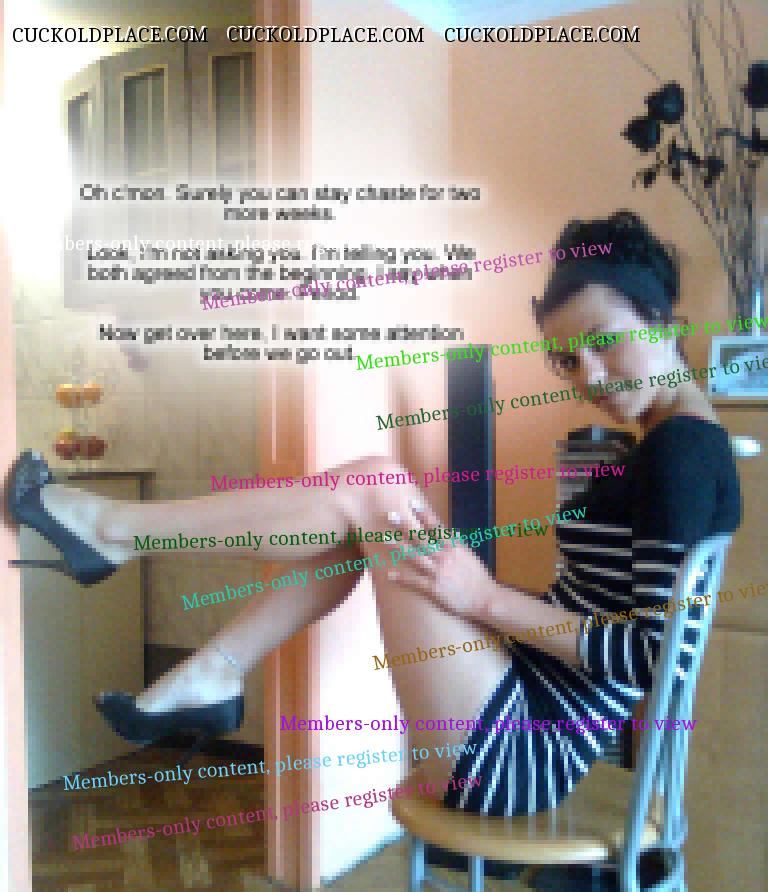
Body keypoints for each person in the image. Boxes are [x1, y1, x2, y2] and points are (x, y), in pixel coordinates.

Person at [6, 211, 741, 817]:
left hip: (522, 750)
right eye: (568, 360)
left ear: (662, 319)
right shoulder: (665, 441)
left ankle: (118, 538)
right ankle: (209, 664)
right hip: (516, 699)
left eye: (604, 344)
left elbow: (657, 661)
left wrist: (481, 597)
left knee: (374, 488)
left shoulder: (680, 452)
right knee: (368, 507)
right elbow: (598, 606)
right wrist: (479, 594)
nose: (590, 376)